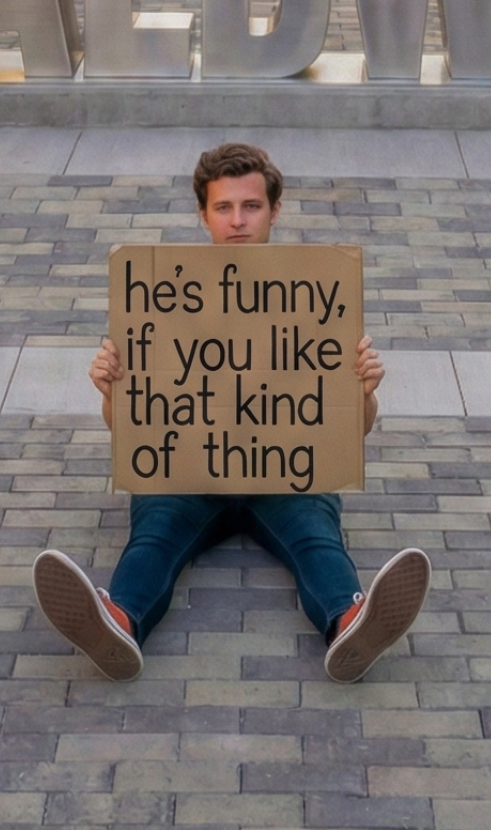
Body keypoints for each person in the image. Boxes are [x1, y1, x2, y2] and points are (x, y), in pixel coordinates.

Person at [32, 142, 430, 682]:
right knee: (155, 534)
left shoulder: (317, 292)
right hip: (190, 468)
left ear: (274, 210)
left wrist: (364, 390)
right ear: (203, 214)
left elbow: (347, 432)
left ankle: (351, 621)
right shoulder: (159, 294)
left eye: (251, 207)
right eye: (224, 208)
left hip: (284, 469)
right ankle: (118, 619)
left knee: (316, 533)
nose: (237, 221)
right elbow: (134, 428)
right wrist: (111, 390)